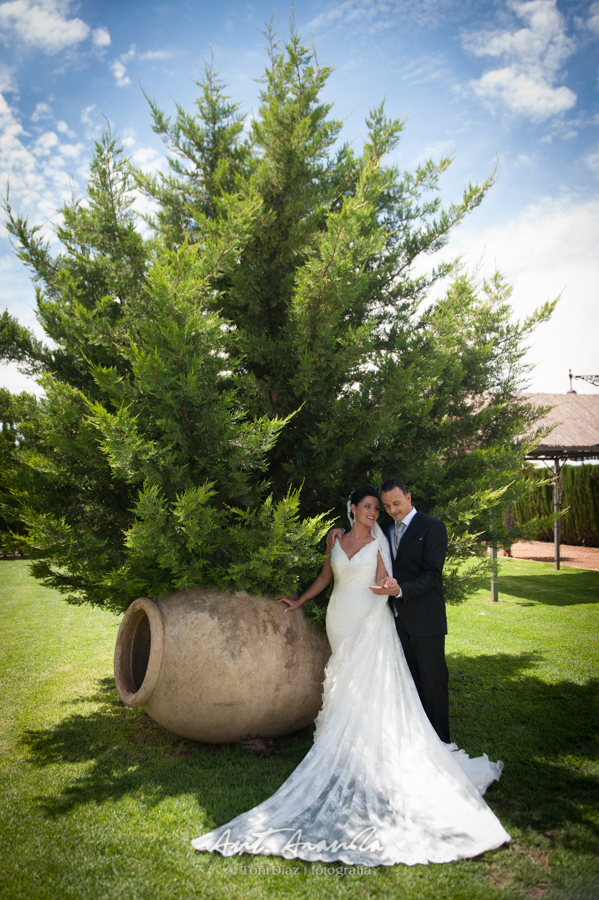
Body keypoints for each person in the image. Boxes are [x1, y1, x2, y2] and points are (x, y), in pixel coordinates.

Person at [191, 486, 510, 866]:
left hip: (369, 621)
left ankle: (369, 750)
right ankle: (350, 747)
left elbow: (385, 583)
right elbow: (327, 576)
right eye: (369, 507)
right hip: (338, 620)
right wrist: (301, 600)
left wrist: (387, 592)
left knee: (368, 682)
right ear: (353, 509)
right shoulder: (337, 540)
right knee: (345, 679)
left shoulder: (381, 542)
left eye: (380, 507)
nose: (375, 512)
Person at [329, 478, 450, 743]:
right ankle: (415, 738)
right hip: (393, 618)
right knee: (406, 684)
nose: (392, 510)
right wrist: (336, 530)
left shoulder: (432, 527)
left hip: (425, 618)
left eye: (396, 503)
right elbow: (360, 529)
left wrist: (400, 590)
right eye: (386, 505)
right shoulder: (382, 529)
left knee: (432, 682)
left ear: (409, 497)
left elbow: (432, 575)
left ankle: (441, 742)